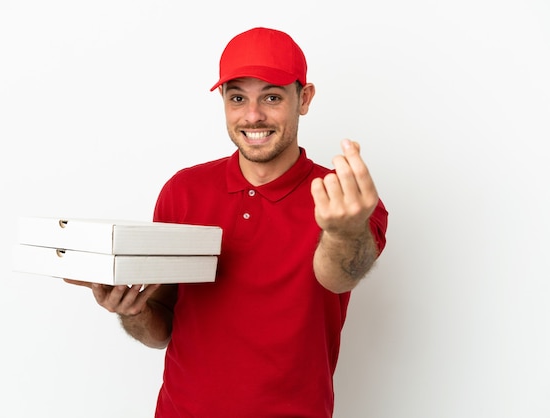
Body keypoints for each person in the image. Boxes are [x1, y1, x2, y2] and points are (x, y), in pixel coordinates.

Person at [66, 27, 388, 418]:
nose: (253, 116)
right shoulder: (183, 192)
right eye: (238, 98)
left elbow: (338, 277)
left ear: (304, 99)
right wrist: (133, 312)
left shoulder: (344, 200)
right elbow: (163, 326)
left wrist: (344, 230)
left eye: (271, 97)